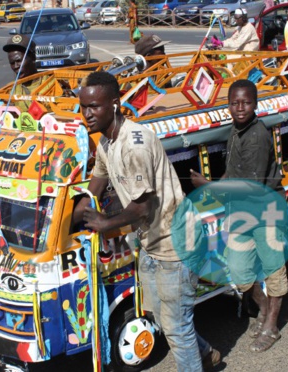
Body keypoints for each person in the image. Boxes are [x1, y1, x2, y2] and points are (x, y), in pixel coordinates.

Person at [74, 71, 221, 372]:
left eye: (94, 107)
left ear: (114, 105)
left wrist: (105, 222)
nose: (87, 114)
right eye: (83, 106)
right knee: (162, 319)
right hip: (151, 243)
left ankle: (199, 361)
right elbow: (94, 188)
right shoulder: (105, 143)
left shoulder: (135, 145)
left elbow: (142, 207)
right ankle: (206, 354)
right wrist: (67, 217)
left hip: (175, 245)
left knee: (177, 327)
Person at [190, 79, 288, 353]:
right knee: (239, 270)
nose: (240, 108)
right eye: (234, 103)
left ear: (255, 104)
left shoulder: (257, 137)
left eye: (245, 102)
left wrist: (208, 187)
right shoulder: (236, 130)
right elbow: (233, 172)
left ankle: (271, 324)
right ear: (229, 105)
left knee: (273, 270)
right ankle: (266, 309)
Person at [3, 35, 40, 111]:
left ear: (33, 57)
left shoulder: (52, 83)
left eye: (19, 61)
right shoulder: (9, 90)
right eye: (12, 63)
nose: (16, 66)